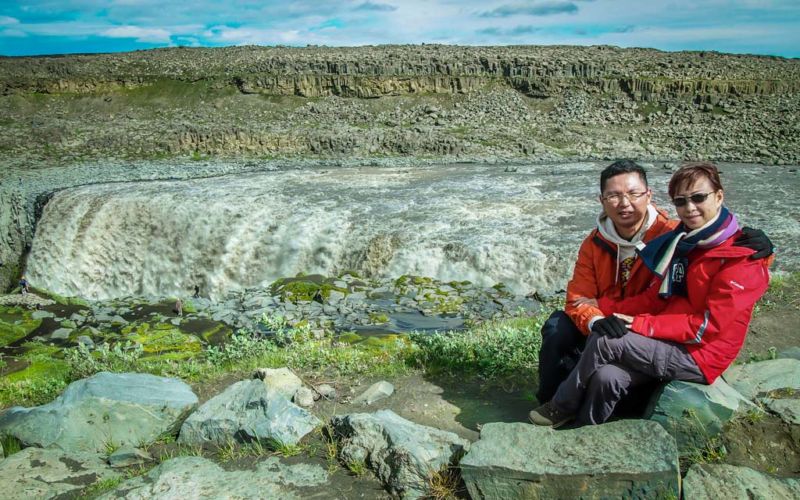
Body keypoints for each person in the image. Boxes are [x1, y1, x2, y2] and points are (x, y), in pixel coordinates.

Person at [529, 161, 771, 427]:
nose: (624, 203)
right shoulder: (678, 240)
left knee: (605, 341)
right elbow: (587, 300)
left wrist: (764, 250)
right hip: (659, 332)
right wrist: (599, 313)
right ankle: (581, 429)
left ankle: (560, 407)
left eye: (633, 193)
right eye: (614, 195)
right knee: (600, 369)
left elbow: (712, 318)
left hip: (691, 346)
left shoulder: (674, 236)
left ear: (648, 195)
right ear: (602, 200)